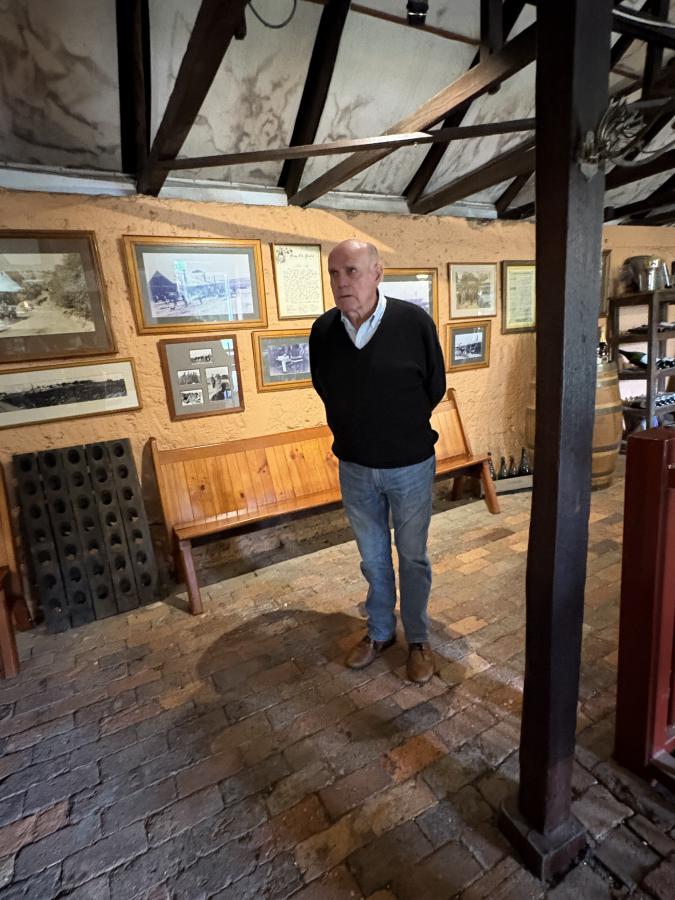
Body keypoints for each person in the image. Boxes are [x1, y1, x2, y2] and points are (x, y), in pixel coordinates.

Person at [309, 240, 446, 684]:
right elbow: (324, 387)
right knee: (372, 558)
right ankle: (381, 632)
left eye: (351, 271)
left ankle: (418, 639)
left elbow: (434, 386)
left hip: (409, 465)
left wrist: (396, 429)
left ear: (377, 274)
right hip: (355, 467)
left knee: (413, 556)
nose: (341, 282)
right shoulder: (323, 331)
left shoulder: (412, 323)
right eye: (334, 273)